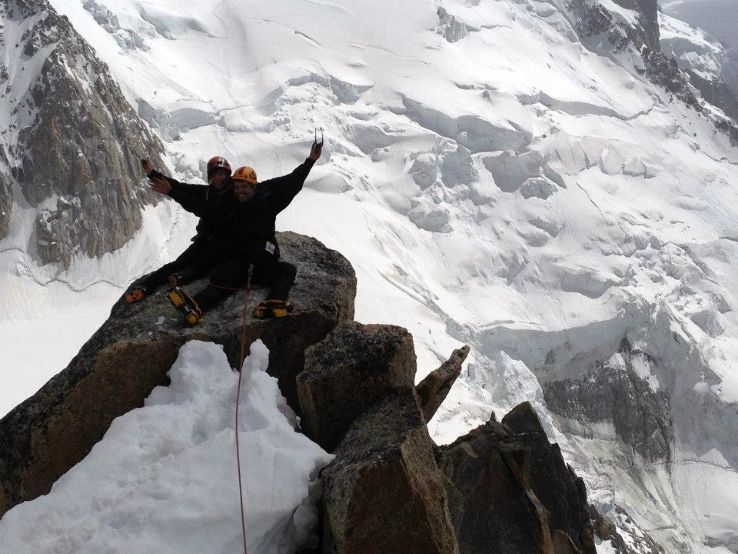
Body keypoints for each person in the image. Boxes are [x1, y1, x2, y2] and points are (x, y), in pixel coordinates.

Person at [169, 136, 323, 324]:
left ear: (253, 187)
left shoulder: (268, 203)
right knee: (225, 280)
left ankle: (273, 302)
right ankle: (196, 306)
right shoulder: (232, 206)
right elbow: (202, 207)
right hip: (242, 260)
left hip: (262, 258)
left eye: (244, 187)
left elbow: (292, 183)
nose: (240, 190)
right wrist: (172, 191)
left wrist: (310, 161)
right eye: (237, 187)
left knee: (285, 271)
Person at [123, 156, 234, 303]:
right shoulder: (208, 192)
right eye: (214, 175)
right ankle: (145, 287)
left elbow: (202, 209)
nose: (218, 178)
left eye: (221, 174)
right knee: (178, 264)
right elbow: (181, 186)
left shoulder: (233, 196)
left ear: (228, 176)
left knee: (203, 264)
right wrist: (153, 173)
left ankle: (181, 279)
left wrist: (171, 192)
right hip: (206, 239)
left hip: (224, 243)